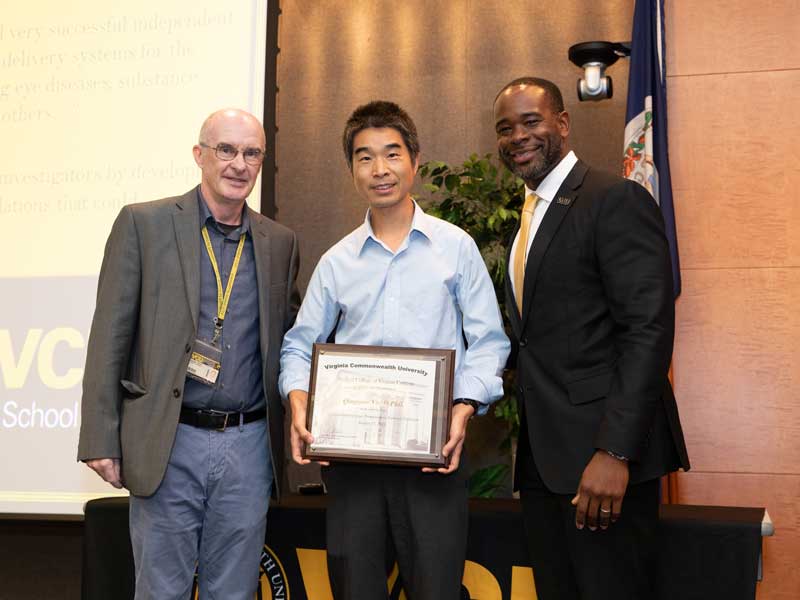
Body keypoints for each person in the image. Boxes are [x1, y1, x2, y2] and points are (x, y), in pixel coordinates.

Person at [280, 100, 510, 600]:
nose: (379, 170)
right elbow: (299, 345)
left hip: (433, 458)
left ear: (415, 161)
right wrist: (299, 399)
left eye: (391, 154)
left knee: (436, 589)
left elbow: (489, 342)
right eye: (365, 157)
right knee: (355, 589)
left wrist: (463, 407)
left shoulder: (456, 248)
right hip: (351, 462)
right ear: (352, 170)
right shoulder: (337, 262)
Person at [77, 108, 300, 600]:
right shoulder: (144, 224)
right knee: (160, 590)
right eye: (226, 150)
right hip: (168, 438)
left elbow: (293, 340)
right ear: (200, 155)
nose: (239, 164)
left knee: (236, 591)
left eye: (251, 153)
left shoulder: (278, 242)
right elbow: (110, 334)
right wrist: (100, 435)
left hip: (248, 443)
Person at [493, 77, 690, 600]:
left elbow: (647, 330)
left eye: (531, 121)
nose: (518, 136)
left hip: (601, 466)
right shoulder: (527, 219)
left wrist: (615, 453)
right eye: (505, 128)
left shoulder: (613, 199)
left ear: (562, 123)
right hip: (543, 462)